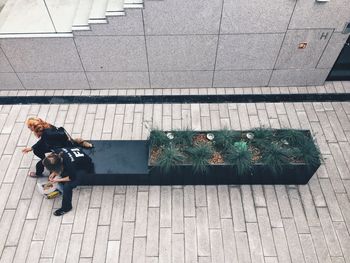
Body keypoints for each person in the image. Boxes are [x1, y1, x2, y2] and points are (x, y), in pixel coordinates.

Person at [43, 147, 94, 216]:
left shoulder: (70, 165)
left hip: (85, 168)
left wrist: (57, 180)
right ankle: (60, 188)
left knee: (67, 186)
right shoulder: (57, 152)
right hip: (76, 160)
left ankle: (66, 207)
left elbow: (71, 178)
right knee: (62, 174)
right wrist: (53, 173)